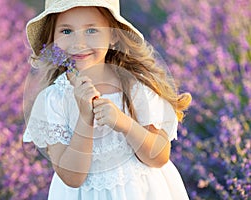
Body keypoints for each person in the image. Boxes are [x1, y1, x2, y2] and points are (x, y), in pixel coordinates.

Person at [23, 0, 192, 199]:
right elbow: (72, 177)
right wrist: (85, 119)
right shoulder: (53, 100)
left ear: (112, 35)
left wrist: (124, 123)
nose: (79, 42)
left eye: (91, 30)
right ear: (53, 39)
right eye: (66, 31)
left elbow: (159, 157)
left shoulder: (136, 87)